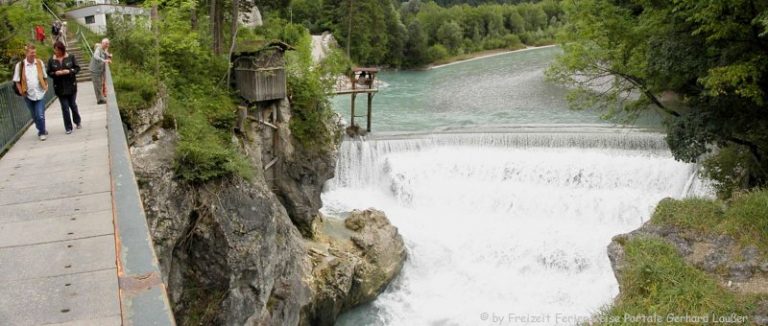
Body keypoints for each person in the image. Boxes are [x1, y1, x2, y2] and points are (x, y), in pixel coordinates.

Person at [13, 44, 49, 141]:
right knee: (34, 115)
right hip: (28, 94)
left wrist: (46, 85)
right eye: (32, 53)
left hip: (40, 92)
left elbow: (44, 76)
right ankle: (42, 128)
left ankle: (41, 133)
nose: (34, 54)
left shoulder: (39, 62)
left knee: (40, 114)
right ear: (26, 53)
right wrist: (21, 92)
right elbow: (17, 80)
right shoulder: (20, 65)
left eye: (35, 52)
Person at [47, 41, 81, 134]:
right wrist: (55, 73)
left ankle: (77, 121)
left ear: (62, 49)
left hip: (71, 85)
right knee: (65, 107)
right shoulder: (51, 60)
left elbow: (77, 68)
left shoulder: (70, 57)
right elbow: (49, 72)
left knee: (73, 105)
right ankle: (68, 127)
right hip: (59, 87)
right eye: (55, 50)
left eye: (58, 50)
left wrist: (69, 71)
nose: (56, 51)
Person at [89, 38, 111, 104]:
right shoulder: (98, 49)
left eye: (108, 44)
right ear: (102, 43)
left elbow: (106, 54)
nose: (107, 45)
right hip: (95, 70)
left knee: (100, 84)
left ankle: (101, 98)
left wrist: (109, 56)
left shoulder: (103, 49)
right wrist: (104, 60)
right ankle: (100, 100)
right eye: (106, 44)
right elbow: (96, 56)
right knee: (97, 85)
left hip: (99, 70)